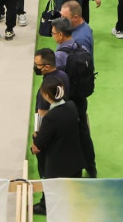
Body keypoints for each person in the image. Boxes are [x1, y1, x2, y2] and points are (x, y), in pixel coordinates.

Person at [30, 75, 84, 216]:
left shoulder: (50, 118)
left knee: (52, 193)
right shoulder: (72, 106)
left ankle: (45, 206)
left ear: (46, 95)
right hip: (75, 162)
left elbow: (37, 147)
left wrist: (35, 137)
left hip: (57, 167)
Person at [50, 19, 96, 178]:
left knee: (69, 138)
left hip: (67, 102)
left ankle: (73, 173)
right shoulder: (81, 46)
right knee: (84, 133)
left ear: (60, 35)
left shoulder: (59, 55)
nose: (52, 35)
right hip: (81, 99)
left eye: (53, 33)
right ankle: (91, 168)